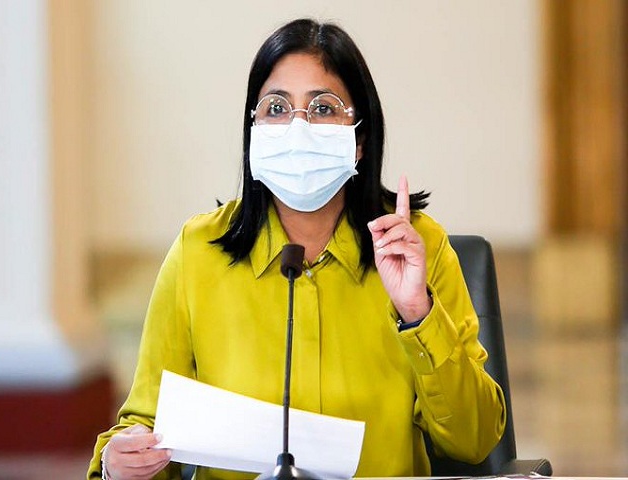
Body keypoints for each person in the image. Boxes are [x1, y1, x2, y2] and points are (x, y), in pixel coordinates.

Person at [88, 18, 506, 480]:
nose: (297, 128)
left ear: (360, 139)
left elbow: (474, 441)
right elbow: (145, 424)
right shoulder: (197, 252)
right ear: (253, 129)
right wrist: (118, 464)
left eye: (323, 108)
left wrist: (417, 314)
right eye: (276, 108)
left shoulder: (416, 247)